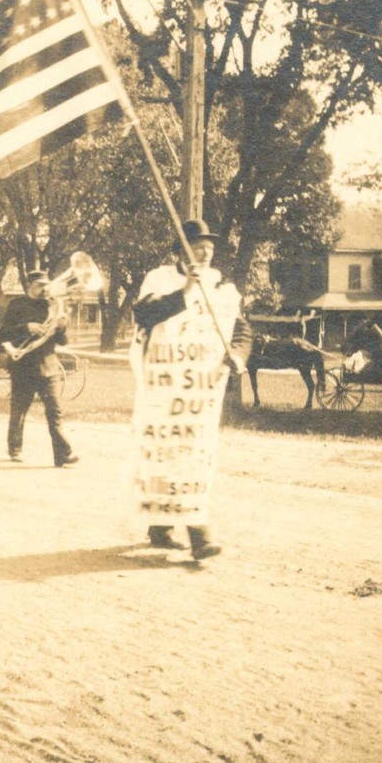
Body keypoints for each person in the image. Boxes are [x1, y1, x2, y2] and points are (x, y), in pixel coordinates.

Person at [129, 219, 253, 561]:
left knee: (194, 455)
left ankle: (187, 532)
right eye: (197, 248)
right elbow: (144, 314)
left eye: (209, 249)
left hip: (200, 393)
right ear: (179, 252)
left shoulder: (221, 288)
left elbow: (242, 331)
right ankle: (175, 529)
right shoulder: (159, 279)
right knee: (163, 453)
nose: (205, 254)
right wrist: (185, 294)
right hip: (163, 387)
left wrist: (238, 358)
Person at [0, 270, 78, 468]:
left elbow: (63, 341)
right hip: (23, 367)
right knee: (19, 410)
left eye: (45, 285)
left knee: (55, 412)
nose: (44, 289)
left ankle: (62, 455)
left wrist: (62, 326)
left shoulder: (51, 306)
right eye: (40, 285)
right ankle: (15, 448)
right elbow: (3, 334)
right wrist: (27, 327)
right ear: (29, 286)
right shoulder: (16, 305)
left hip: (48, 366)